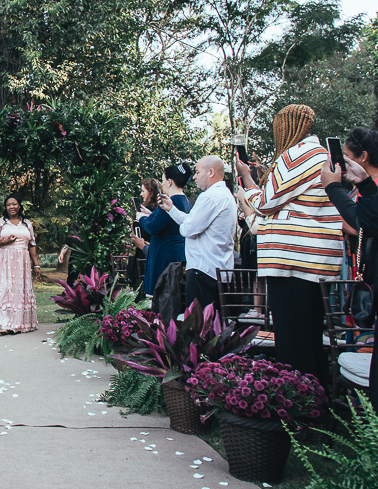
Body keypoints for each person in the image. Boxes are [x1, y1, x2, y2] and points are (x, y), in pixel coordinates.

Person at [238, 103, 342, 381]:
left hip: (294, 260)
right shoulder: (322, 156)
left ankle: (298, 407)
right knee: (309, 338)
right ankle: (315, 402)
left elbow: (265, 202)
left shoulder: (298, 155)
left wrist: (247, 189)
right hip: (316, 260)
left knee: (293, 342)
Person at [319, 126, 378, 410]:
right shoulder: (367, 187)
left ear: (363, 156)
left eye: (347, 155)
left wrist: (332, 188)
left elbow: (363, 220)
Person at [160, 155, 236, 311]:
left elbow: (188, 229)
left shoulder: (210, 197)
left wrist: (185, 227)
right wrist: (172, 210)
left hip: (204, 271)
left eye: (197, 172)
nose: (194, 177)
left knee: (200, 327)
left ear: (211, 172)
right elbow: (193, 221)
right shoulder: (225, 194)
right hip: (216, 267)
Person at [0, 194, 40, 333]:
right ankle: (3, 323)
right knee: (5, 289)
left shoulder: (27, 223)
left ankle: (20, 323)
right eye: (9, 205)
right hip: (4, 260)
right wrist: (5, 241)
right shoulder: (1, 223)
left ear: (19, 205)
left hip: (22, 260)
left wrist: (37, 265)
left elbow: (32, 245)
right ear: (5, 207)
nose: (12, 207)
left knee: (20, 289)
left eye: (14, 204)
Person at [141, 164, 190, 297]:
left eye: (163, 180)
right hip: (177, 252)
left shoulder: (171, 201)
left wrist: (141, 219)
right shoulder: (185, 200)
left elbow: (153, 227)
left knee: (161, 295)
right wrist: (149, 215)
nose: (162, 183)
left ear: (169, 181)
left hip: (164, 254)